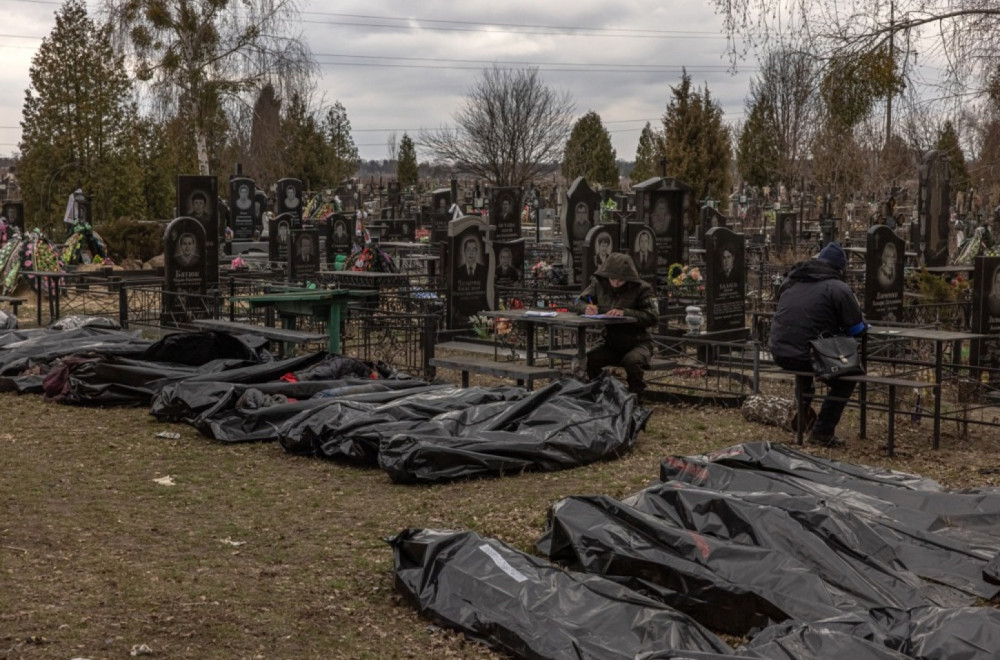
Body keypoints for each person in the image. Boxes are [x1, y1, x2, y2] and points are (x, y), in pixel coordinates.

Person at [769, 242, 867, 447]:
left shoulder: (791, 281)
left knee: (804, 357)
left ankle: (803, 409)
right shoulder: (838, 288)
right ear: (840, 268)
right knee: (848, 379)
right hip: (810, 354)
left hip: (780, 350)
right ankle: (822, 432)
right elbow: (856, 329)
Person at [574, 252, 659, 396]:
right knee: (588, 359)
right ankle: (604, 391)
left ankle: (636, 395)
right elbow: (578, 301)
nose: (615, 283)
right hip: (611, 342)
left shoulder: (642, 289)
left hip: (638, 342)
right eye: (612, 279)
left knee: (632, 361)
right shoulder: (599, 284)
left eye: (620, 280)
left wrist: (625, 312)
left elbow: (652, 317)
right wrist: (586, 308)